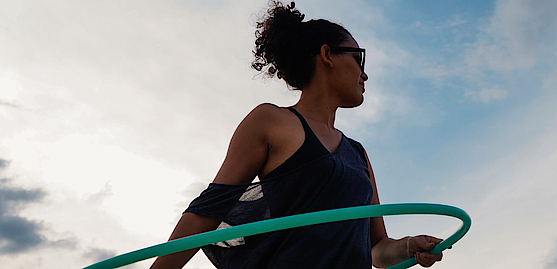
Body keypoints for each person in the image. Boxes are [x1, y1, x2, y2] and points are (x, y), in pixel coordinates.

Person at [150, 1, 443, 268]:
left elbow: (376, 249)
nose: (364, 74)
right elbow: (208, 210)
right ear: (327, 55)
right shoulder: (271, 121)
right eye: (358, 59)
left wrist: (407, 247)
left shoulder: (358, 153)